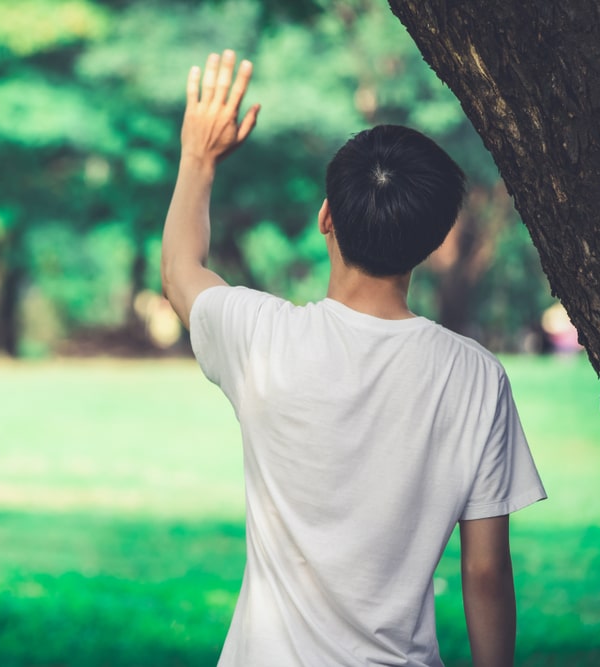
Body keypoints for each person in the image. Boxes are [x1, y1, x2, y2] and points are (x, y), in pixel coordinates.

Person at [161, 50, 546, 667]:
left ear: (325, 219)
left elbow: (180, 272)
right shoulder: (475, 376)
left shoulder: (262, 339)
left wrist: (198, 157)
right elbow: (485, 569)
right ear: (433, 241)